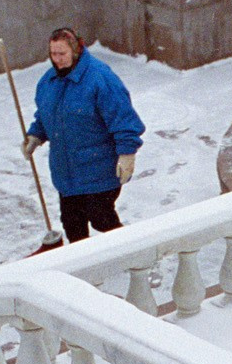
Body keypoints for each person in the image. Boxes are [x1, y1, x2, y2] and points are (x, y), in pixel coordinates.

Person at [22, 28, 145, 242]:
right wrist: (35, 135)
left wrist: (127, 154)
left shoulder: (100, 78)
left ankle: (133, 252)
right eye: (53, 54)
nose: (57, 60)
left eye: (62, 54)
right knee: (73, 225)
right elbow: (46, 114)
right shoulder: (48, 82)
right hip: (67, 173)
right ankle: (87, 271)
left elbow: (124, 119)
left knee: (101, 219)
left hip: (100, 172)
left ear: (76, 50)